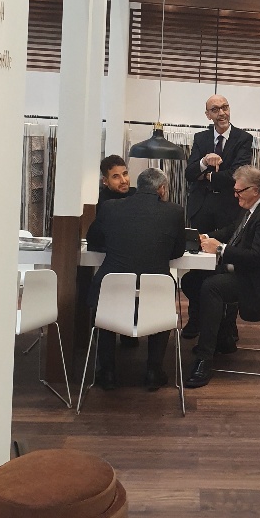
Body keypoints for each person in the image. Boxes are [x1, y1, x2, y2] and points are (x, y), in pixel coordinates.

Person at [183, 166, 260, 389]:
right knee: (191, 280)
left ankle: (205, 358)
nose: (235, 195)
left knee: (212, 287)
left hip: (256, 281)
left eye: (239, 191)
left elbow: (256, 257)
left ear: (255, 190)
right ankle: (222, 336)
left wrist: (220, 249)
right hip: (242, 272)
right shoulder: (252, 208)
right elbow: (231, 230)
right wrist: (205, 237)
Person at [87, 167, 185, 392]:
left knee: (104, 303)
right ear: (162, 189)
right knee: (160, 300)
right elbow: (178, 250)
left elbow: (93, 239)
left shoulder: (110, 207)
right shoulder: (175, 212)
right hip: (155, 288)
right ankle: (153, 371)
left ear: (138, 186)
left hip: (113, 286)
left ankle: (107, 372)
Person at [182, 95, 253, 338]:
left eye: (224, 107)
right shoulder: (200, 138)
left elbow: (237, 176)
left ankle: (226, 326)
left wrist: (207, 176)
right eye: (215, 109)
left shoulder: (243, 138)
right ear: (208, 115)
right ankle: (195, 320)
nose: (221, 113)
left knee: (226, 266)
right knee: (198, 265)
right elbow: (189, 174)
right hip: (201, 209)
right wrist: (204, 162)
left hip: (229, 211)